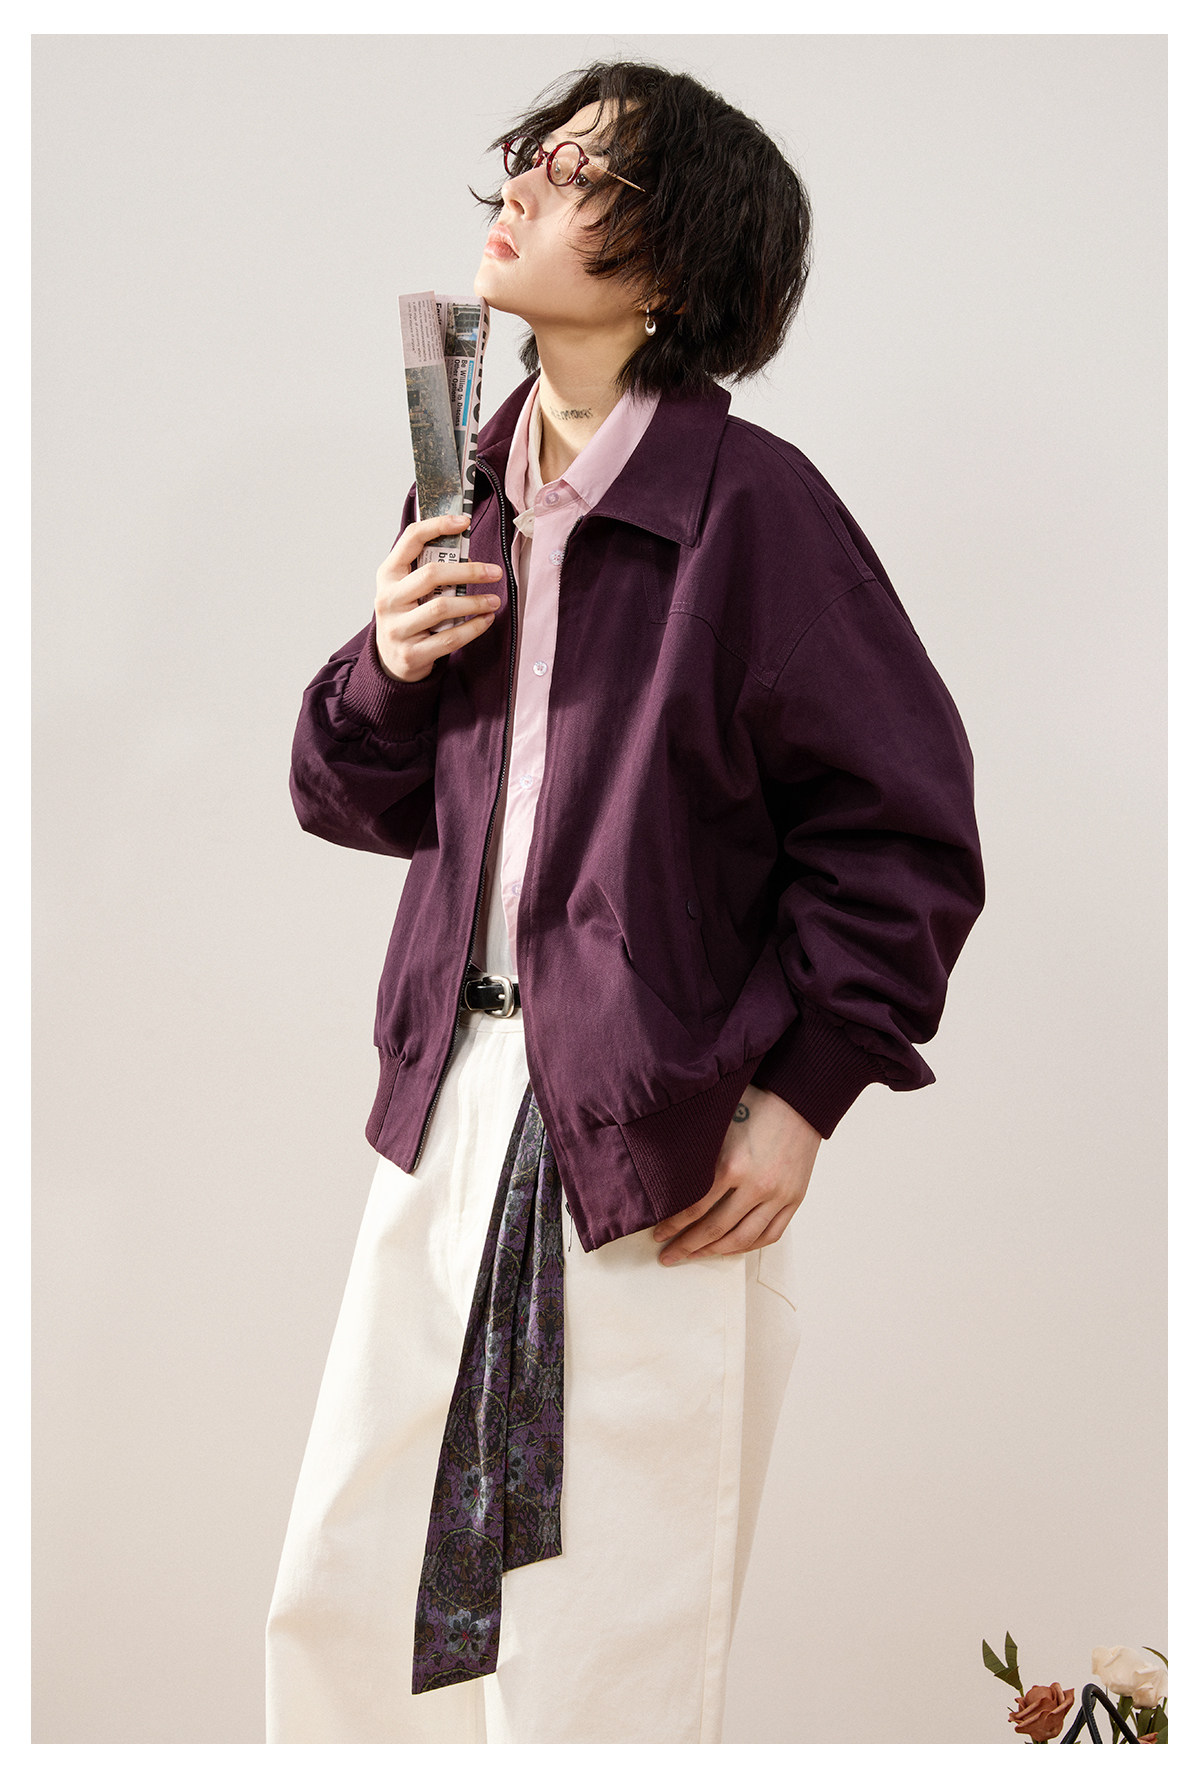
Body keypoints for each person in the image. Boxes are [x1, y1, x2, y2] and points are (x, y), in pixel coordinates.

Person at [265, 59, 986, 1745]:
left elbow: (905, 828)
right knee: (349, 1592)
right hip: (449, 1104)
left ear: (672, 261)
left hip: (654, 1132)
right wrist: (385, 667)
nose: (519, 186)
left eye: (581, 172)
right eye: (532, 155)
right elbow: (350, 798)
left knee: (604, 1636)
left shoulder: (755, 514)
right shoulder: (463, 491)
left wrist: (803, 1096)